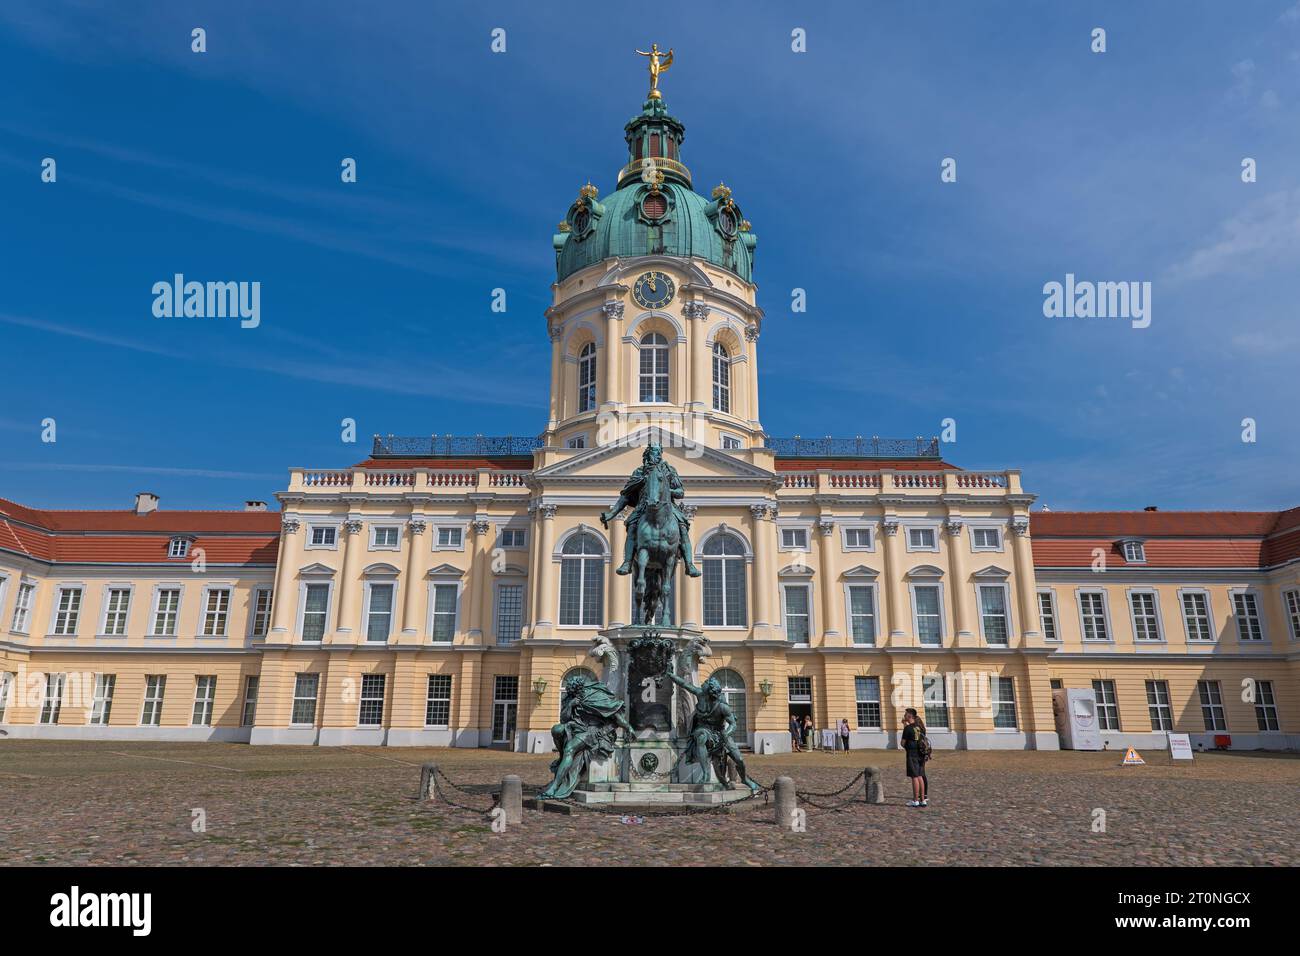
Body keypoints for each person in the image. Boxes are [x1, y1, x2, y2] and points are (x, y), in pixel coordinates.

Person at [901, 708, 928, 807]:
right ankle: (923, 800)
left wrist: (907, 747)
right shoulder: (920, 727)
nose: (904, 716)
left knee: (914, 777)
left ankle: (915, 800)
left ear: (910, 716)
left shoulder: (908, 728)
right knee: (920, 776)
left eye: (905, 714)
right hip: (921, 754)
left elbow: (902, 743)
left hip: (912, 754)